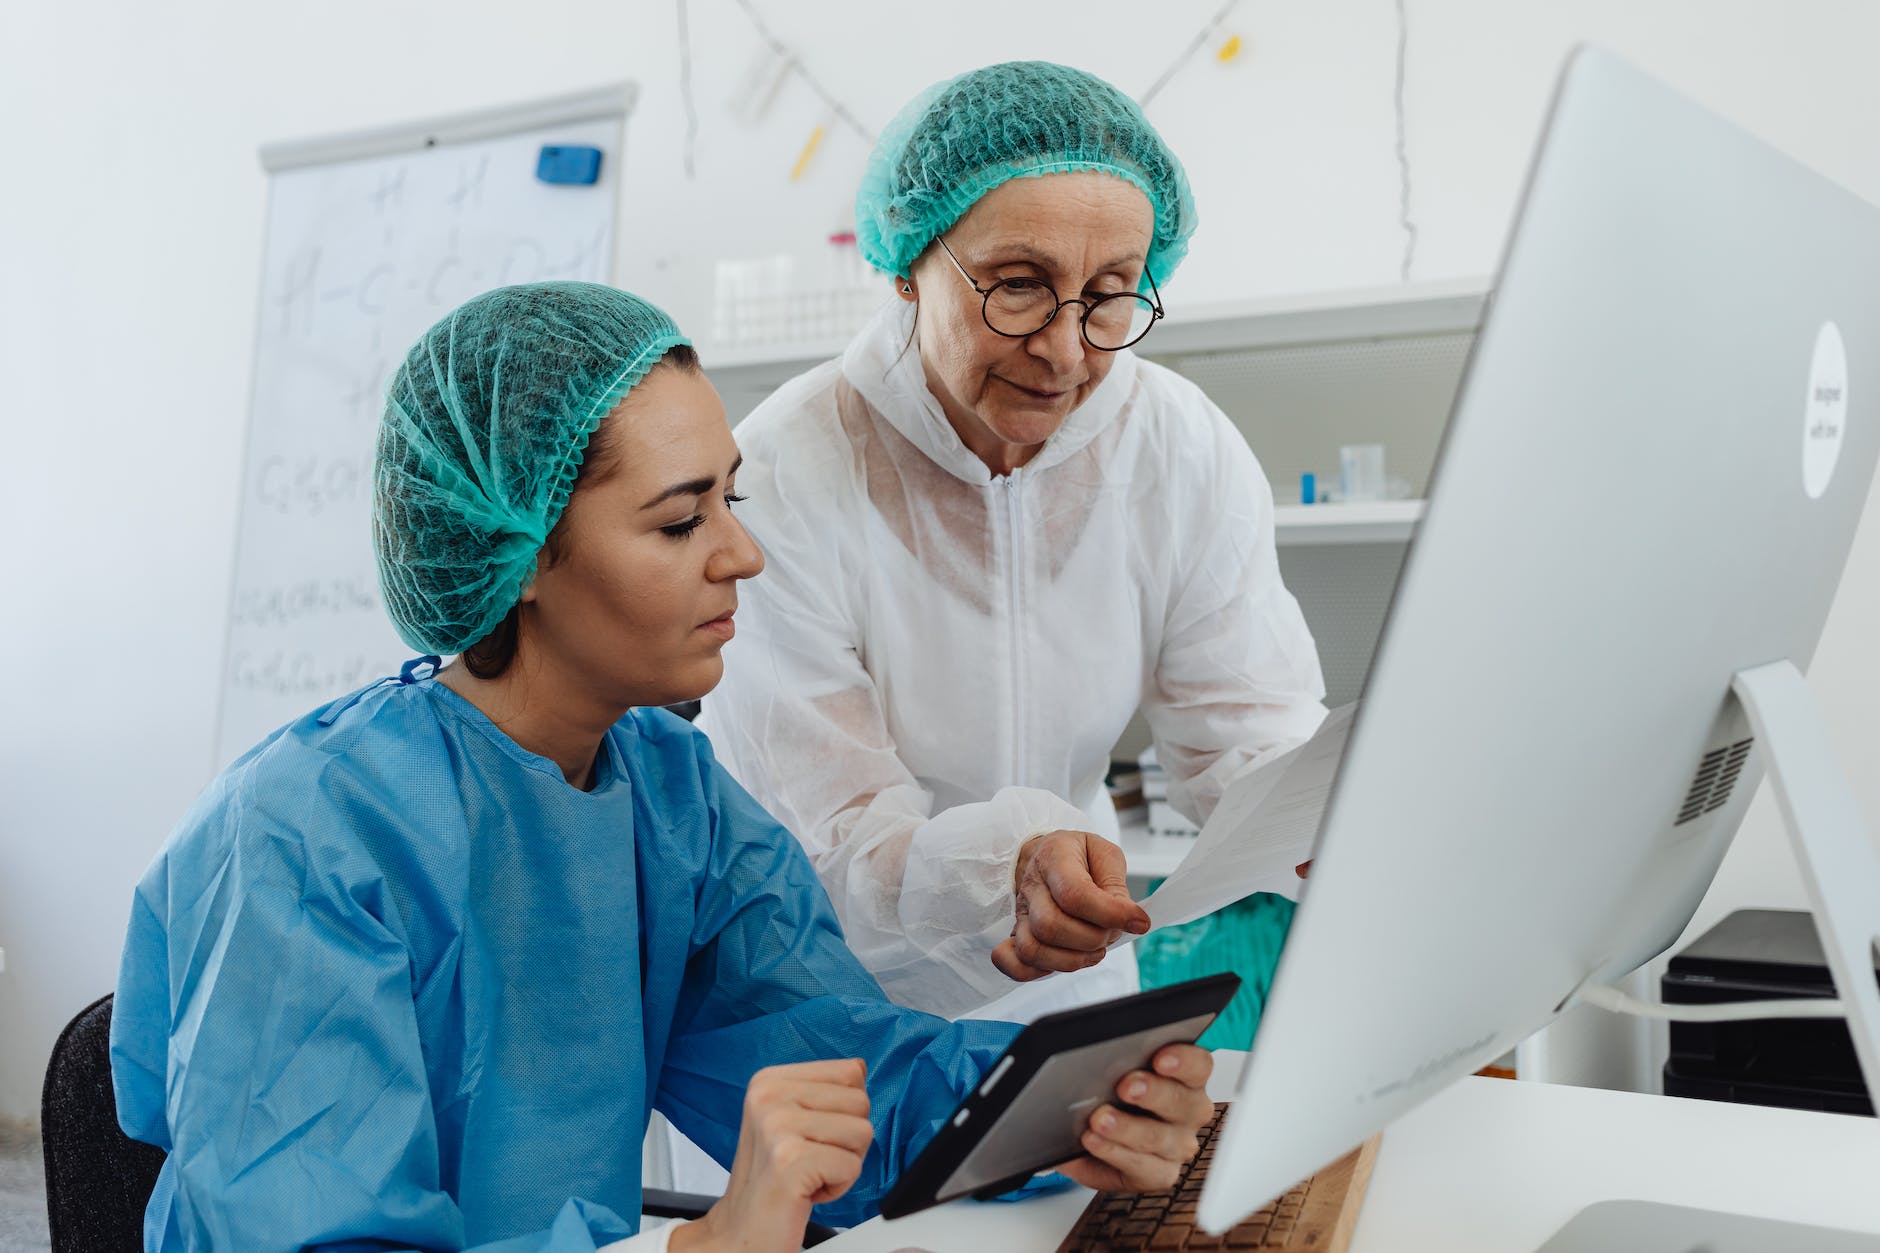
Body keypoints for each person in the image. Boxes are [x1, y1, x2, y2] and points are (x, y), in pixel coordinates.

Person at [109, 282, 1215, 1253]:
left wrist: (1060, 1109)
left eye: (729, 498)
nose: (741, 554)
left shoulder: (666, 792)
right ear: (523, 549)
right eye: (682, 519)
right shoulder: (304, 838)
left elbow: (835, 1068)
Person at [699, 61, 1327, 1026]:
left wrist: (1330, 828)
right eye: (1021, 286)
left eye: (1113, 292)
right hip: (845, 1005)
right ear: (908, 263)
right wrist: (1009, 870)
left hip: (1078, 983)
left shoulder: (1174, 444)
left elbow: (1248, 738)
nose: (1068, 350)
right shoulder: (782, 477)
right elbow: (834, 842)